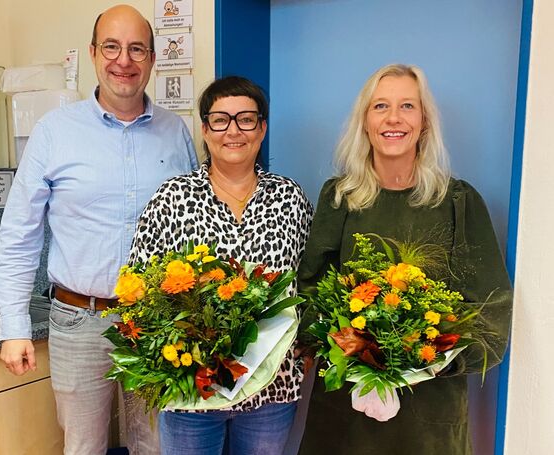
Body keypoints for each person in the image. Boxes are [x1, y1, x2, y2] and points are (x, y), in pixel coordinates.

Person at [0, 5, 198, 454]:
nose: (123, 60)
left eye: (136, 49)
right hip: (78, 319)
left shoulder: (176, 132)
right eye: (112, 47)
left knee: (158, 446)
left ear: (152, 58)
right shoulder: (54, 132)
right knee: (83, 447)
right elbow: (19, 234)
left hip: (157, 323)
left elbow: (195, 229)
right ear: (93, 53)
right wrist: (13, 325)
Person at [297, 64, 512, 454]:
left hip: (429, 410)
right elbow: (310, 287)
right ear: (365, 121)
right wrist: (349, 345)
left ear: (424, 121)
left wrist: (426, 356)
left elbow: (490, 305)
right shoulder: (339, 198)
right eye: (380, 106)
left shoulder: (459, 203)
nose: (393, 118)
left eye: (407, 106)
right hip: (347, 405)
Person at [128, 75, 314, 455]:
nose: (234, 131)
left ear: (261, 129)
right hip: (191, 389)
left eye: (246, 119)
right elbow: (138, 286)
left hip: (272, 390)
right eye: (220, 119)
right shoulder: (173, 198)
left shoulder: (290, 198)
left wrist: (307, 346)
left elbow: (309, 280)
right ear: (205, 129)